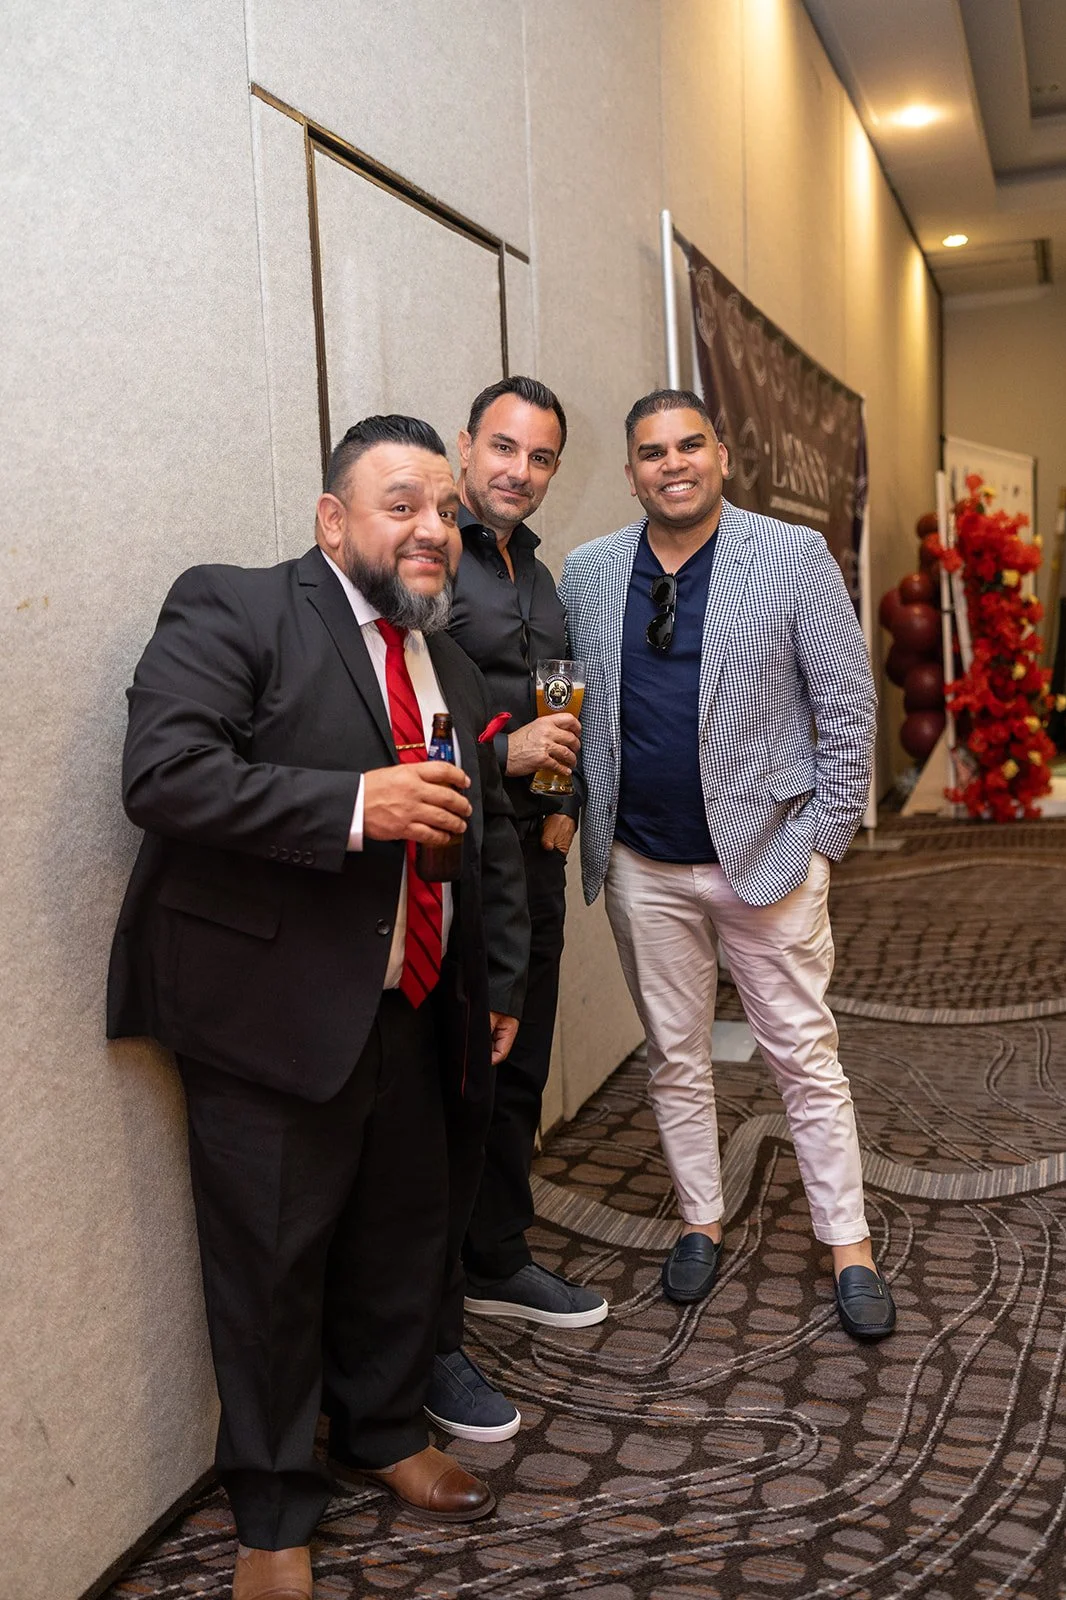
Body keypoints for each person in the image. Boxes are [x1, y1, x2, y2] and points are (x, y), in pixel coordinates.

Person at [107, 415, 529, 1600]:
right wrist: (355, 806)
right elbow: (164, 774)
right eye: (402, 505)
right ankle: (272, 1511)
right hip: (271, 1012)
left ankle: (385, 1429)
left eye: (444, 510)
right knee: (270, 1268)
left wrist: (492, 982)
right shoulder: (235, 606)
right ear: (331, 521)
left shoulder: (444, 660)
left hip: (416, 1001)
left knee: (402, 1235)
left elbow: (481, 831)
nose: (431, 528)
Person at [559, 389, 895, 1342]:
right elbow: (571, 702)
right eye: (651, 452)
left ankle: (848, 1245)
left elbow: (846, 708)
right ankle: (699, 1220)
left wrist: (821, 840)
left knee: (803, 1057)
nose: (672, 464)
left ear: (722, 455)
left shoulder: (791, 555)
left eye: (689, 445)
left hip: (770, 855)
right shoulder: (588, 572)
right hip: (641, 860)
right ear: (631, 473)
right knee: (674, 1055)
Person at [425, 377, 608, 1445]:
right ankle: (434, 1306)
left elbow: (556, 706)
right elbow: (404, 711)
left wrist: (561, 800)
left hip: (529, 853)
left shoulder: (535, 571)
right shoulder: (428, 555)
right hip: (451, 855)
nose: (518, 471)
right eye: (502, 447)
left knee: (520, 1068)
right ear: (465, 445)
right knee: (456, 1081)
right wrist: (506, 753)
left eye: (539, 458)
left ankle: (497, 1254)